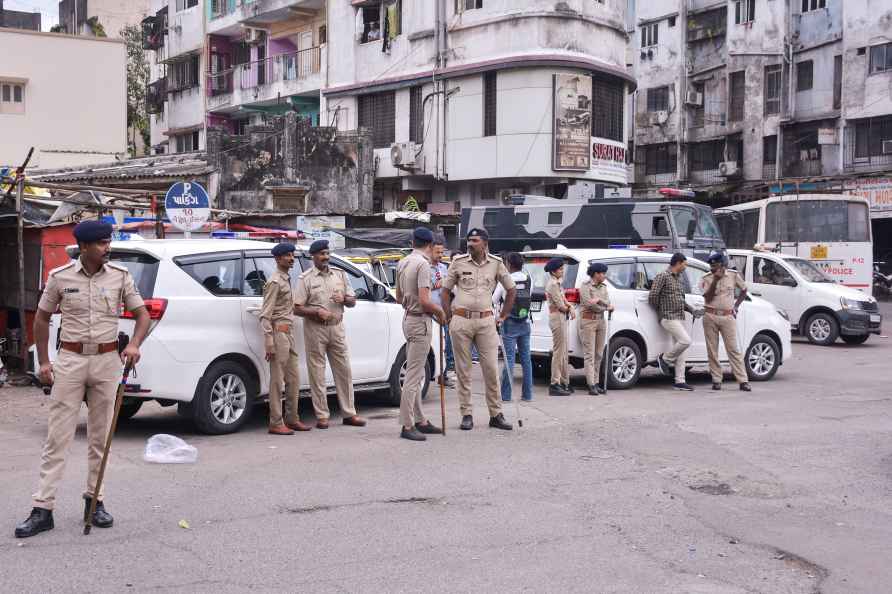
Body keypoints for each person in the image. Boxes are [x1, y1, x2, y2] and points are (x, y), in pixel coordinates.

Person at [16, 221, 150, 539]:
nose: (108, 248)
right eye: (102, 243)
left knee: (100, 438)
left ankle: (95, 502)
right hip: (71, 360)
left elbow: (142, 314)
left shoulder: (120, 276)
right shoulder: (60, 277)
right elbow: (43, 318)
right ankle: (42, 508)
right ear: (85, 247)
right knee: (57, 437)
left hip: (106, 361)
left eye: (108, 242)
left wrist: (133, 344)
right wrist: (46, 361)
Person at [441, 228, 516, 431]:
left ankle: (496, 414)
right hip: (461, 321)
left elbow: (511, 289)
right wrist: (448, 316)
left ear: (485, 243)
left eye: (474, 240)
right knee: (463, 371)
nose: (470, 243)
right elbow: (445, 291)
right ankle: (466, 414)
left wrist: (504, 315)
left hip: (486, 322)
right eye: (468, 240)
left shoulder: (496, 263)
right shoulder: (458, 262)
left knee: (491, 369)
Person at [293, 240, 366, 429]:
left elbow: (352, 301)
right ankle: (322, 416)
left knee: (344, 371)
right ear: (313, 256)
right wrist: (315, 312)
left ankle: (349, 413)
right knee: (317, 373)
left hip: (337, 327)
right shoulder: (305, 278)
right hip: (315, 329)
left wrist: (345, 299)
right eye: (321, 254)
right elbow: (297, 308)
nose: (326, 257)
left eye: (327, 253)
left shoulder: (340, 275)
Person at [395, 228, 447, 441]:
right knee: (414, 376)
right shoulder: (423, 264)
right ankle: (407, 425)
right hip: (420, 319)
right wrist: (440, 311)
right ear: (430, 244)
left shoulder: (403, 262)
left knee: (414, 373)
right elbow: (426, 300)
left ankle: (420, 420)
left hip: (408, 317)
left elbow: (399, 297)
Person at [261, 243, 311, 435]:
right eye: (287, 256)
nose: (291, 258)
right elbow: (266, 314)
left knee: (293, 379)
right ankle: (275, 422)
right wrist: (269, 340)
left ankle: (292, 418)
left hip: (288, 333)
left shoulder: (286, 279)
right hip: (278, 333)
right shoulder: (275, 281)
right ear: (277, 259)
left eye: (292, 255)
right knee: (277, 381)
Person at [648, 252, 703, 391]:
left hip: (679, 316)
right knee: (686, 341)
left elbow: (681, 300)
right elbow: (653, 296)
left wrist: (692, 310)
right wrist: (661, 311)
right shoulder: (663, 276)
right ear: (678, 263)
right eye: (685, 264)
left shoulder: (678, 279)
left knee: (681, 351)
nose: (686, 267)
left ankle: (680, 381)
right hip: (668, 317)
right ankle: (665, 359)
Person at [700, 252, 752, 392]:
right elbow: (708, 298)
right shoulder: (707, 278)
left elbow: (744, 290)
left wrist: (736, 306)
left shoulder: (733, 275)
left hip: (727, 317)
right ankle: (717, 380)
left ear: (722, 265)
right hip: (710, 315)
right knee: (712, 350)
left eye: (715, 266)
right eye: (711, 266)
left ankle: (743, 381)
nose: (712, 268)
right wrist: (715, 280)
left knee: (733, 349)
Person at [493, 252, 534, 403]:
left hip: (509, 322)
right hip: (525, 322)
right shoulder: (529, 279)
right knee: (526, 359)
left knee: (509, 359)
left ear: (509, 264)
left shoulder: (505, 280)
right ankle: (527, 395)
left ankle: (506, 395)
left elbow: (494, 300)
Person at [579, 262, 614, 395]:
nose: (604, 276)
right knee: (589, 354)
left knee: (599, 353)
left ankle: (597, 381)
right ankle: (591, 384)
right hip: (588, 321)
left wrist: (599, 299)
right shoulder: (585, 286)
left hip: (601, 321)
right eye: (602, 273)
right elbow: (589, 304)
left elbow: (608, 302)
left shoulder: (604, 287)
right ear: (595, 274)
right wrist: (604, 306)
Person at [544, 258, 574, 396]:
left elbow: (565, 301)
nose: (563, 271)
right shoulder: (552, 285)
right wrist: (570, 309)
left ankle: (563, 382)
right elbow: (560, 305)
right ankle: (554, 383)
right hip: (557, 318)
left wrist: (570, 306)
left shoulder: (557, 283)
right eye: (560, 269)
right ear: (553, 271)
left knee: (563, 352)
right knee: (558, 352)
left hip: (560, 318)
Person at [430, 237, 454, 387]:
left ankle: (443, 375)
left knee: (445, 345)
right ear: (430, 250)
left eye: (442, 252)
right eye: (437, 252)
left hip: (443, 312)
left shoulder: (444, 268)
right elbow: (426, 287)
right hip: (430, 312)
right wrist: (440, 284)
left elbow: (448, 288)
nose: (440, 255)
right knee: (432, 345)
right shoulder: (425, 267)